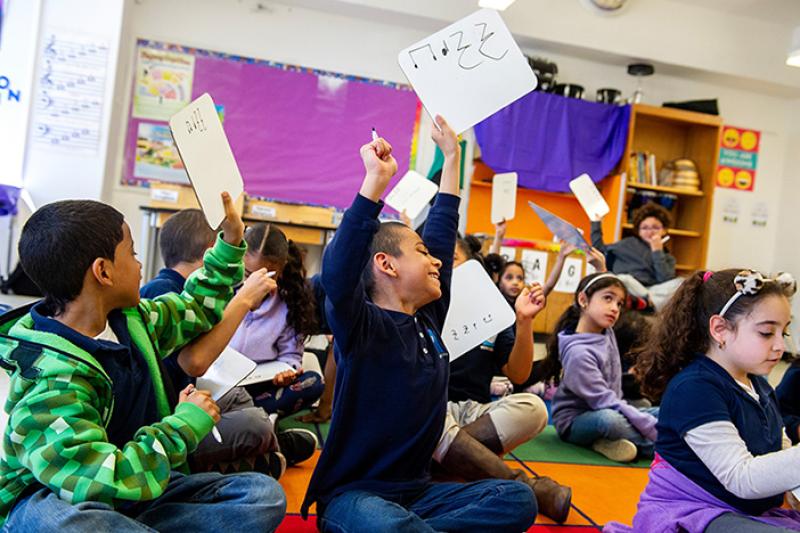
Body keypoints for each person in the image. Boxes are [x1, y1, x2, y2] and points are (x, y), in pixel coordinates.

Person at [302, 117, 536, 532]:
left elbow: (444, 231)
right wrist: (375, 183)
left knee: (516, 498)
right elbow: (338, 275)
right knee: (387, 525)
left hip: (419, 493)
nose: (434, 261)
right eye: (421, 251)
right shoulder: (361, 325)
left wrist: (452, 158)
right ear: (386, 264)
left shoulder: (428, 322)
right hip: (355, 496)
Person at [0, 194, 285, 531]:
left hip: (135, 489)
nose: (139, 266)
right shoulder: (48, 382)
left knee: (262, 496)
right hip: (59, 497)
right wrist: (183, 425)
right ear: (103, 272)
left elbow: (197, 307)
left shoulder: (134, 320)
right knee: (73, 525)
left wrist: (232, 240)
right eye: (132, 253)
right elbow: (99, 481)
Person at [606, 270, 800, 532]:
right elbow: (740, 477)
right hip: (691, 512)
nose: (780, 346)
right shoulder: (694, 388)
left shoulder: (759, 385)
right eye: (767, 333)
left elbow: (780, 449)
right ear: (720, 329)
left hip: (746, 512)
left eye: (784, 333)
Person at [140, 209, 317, 473]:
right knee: (255, 424)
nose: (139, 265)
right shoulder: (168, 294)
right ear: (214, 252)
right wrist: (243, 300)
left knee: (248, 404)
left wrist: (285, 371)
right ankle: (267, 452)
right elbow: (195, 362)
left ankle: (265, 448)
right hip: (180, 410)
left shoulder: (187, 292)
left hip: (219, 388)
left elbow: (291, 355)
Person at [435, 238, 573, 523]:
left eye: (452, 258)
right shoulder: (420, 306)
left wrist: (524, 321)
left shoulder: (492, 309)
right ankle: (529, 487)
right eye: (433, 258)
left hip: (477, 413)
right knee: (428, 419)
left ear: (472, 265)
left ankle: (439, 466)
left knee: (534, 409)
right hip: (433, 410)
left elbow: (518, 374)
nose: (441, 264)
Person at [541, 272, 659, 463]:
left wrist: (600, 267)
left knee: (661, 412)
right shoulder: (578, 353)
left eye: (619, 303)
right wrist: (647, 426)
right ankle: (664, 447)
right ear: (583, 300)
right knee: (610, 421)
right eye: (608, 299)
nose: (614, 308)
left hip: (610, 406)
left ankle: (605, 444)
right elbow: (604, 402)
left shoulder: (606, 331)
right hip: (576, 422)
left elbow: (601, 284)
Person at [230, 224, 325, 417]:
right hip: (215, 381)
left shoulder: (289, 303)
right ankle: (247, 416)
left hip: (258, 386)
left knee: (312, 383)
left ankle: (242, 413)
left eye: (266, 275)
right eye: (248, 274)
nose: (254, 282)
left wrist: (287, 372)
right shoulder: (222, 291)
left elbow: (291, 357)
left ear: (280, 271)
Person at [592, 203, 681, 310]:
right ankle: (647, 302)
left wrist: (657, 251)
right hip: (628, 286)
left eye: (655, 227)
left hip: (650, 291)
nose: (650, 232)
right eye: (645, 228)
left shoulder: (667, 256)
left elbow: (665, 280)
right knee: (624, 278)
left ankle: (647, 302)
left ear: (664, 230)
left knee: (681, 282)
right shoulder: (629, 243)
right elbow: (599, 250)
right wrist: (596, 223)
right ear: (638, 231)